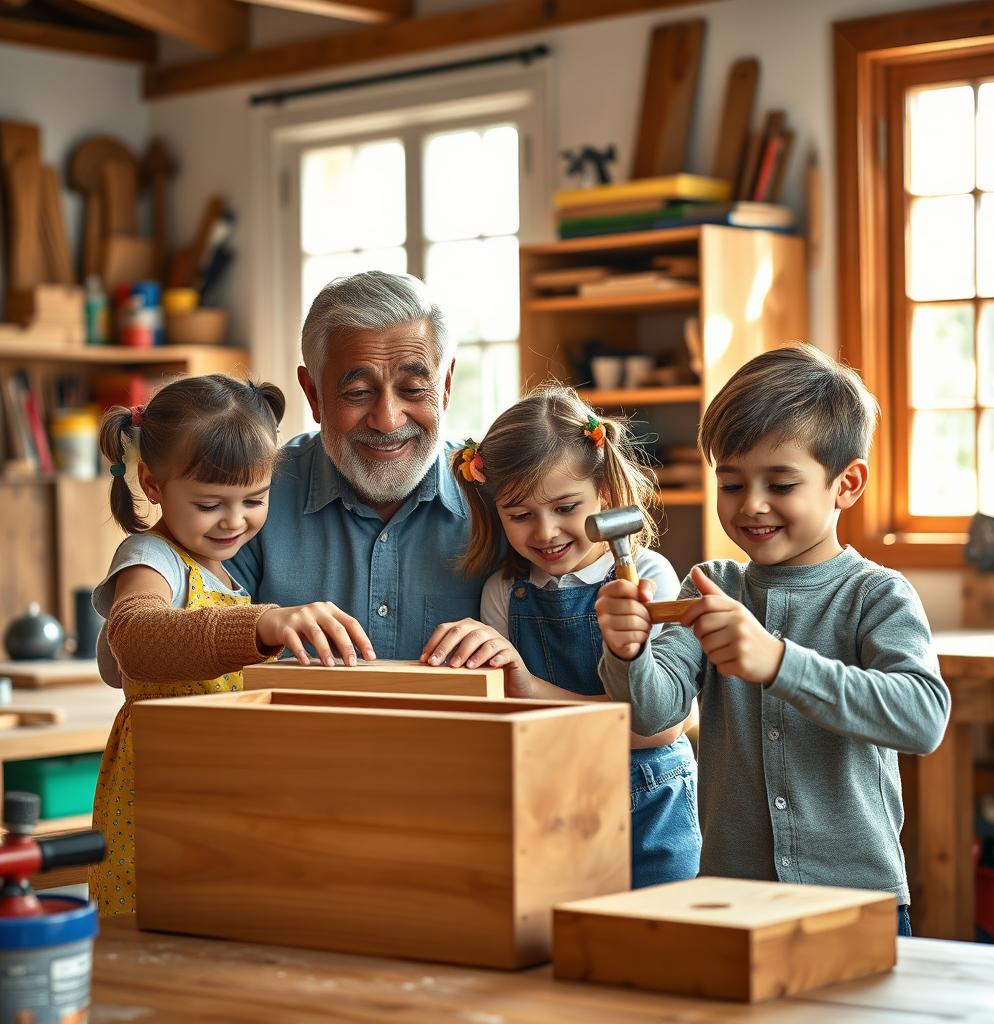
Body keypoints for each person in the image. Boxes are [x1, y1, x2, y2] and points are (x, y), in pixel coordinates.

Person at [596, 344, 951, 934]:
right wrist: (627, 651)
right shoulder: (712, 585)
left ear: (847, 484)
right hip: (731, 901)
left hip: (857, 904)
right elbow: (653, 711)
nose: (752, 505)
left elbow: (922, 719)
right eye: (731, 484)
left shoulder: (876, 595)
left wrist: (781, 662)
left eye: (781, 484)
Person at [91, 374, 368, 916]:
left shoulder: (222, 575)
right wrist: (260, 626)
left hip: (214, 784)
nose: (235, 520)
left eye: (254, 499)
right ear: (152, 485)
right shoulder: (152, 557)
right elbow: (135, 638)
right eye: (211, 503)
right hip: (159, 792)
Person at [421, 384, 701, 888]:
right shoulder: (504, 592)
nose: (546, 532)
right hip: (554, 802)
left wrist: (532, 690)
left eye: (566, 507)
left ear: (607, 496)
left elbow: (658, 728)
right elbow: (504, 717)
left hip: (653, 804)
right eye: (521, 515)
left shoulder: (648, 578)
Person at [228, 271, 488, 661]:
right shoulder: (251, 493)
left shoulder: (505, 498)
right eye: (358, 392)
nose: (388, 420)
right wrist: (258, 628)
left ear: (446, 386)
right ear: (313, 395)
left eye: (414, 390)